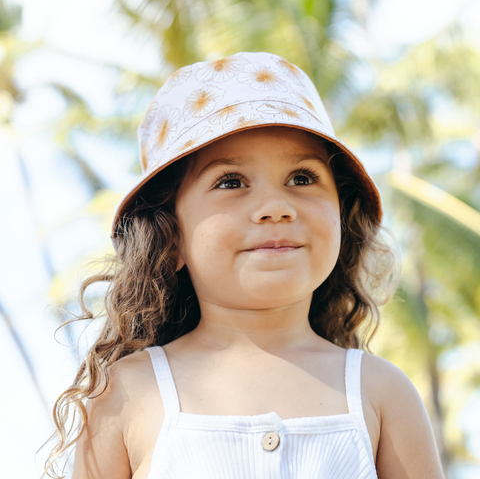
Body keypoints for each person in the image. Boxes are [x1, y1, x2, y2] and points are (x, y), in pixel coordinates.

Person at [44, 52, 444, 479]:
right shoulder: (125, 393)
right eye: (231, 182)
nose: (276, 207)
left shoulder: (381, 391)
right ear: (170, 237)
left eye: (303, 178)